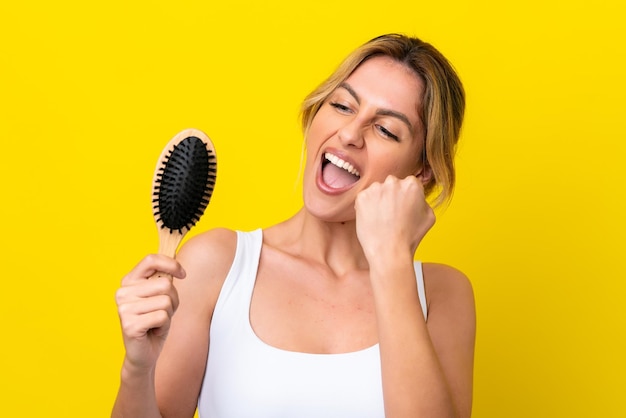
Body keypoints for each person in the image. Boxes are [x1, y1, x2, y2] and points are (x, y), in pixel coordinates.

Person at [112, 33, 476, 418]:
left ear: (422, 172)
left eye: (385, 130)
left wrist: (391, 261)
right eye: (341, 105)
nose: (350, 134)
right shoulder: (216, 266)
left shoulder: (441, 295)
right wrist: (137, 369)